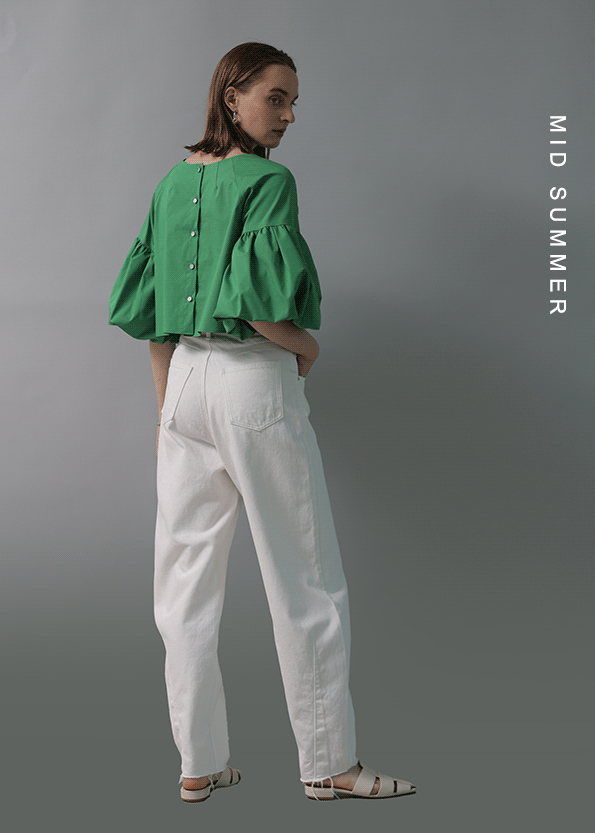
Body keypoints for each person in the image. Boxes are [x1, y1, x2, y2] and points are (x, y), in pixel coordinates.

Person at [108, 41, 417, 803]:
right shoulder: (269, 180)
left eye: (292, 102)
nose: (287, 116)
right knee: (305, 578)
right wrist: (307, 346)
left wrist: (166, 412)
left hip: (184, 383)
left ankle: (198, 761)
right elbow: (256, 309)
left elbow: (151, 314)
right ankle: (330, 763)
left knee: (182, 585)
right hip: (251, 384)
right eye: (275, 97)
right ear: (232, 94)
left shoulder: (171, 182)